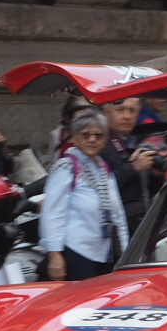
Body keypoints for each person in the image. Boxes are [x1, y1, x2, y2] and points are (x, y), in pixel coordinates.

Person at [41, 110, 129, 281]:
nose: (92, 140)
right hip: (76, 253)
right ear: (75, 138)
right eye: (86, 135)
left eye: (98, 135)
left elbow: (118, 214)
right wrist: (54, 255)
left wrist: (126, 251)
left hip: (104, 253)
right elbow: (52, 214)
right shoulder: (66, 167)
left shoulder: (104, 168)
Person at [99, 96, 165, 228]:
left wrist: (156, 175)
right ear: (106, 113)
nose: (127, 116)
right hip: (114, 224)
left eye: (132, 111)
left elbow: (144, 191)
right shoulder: (99, 143)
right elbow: (99, 187)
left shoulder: (138, 141)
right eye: (120, 110)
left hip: (141, 218)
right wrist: (132, 168)